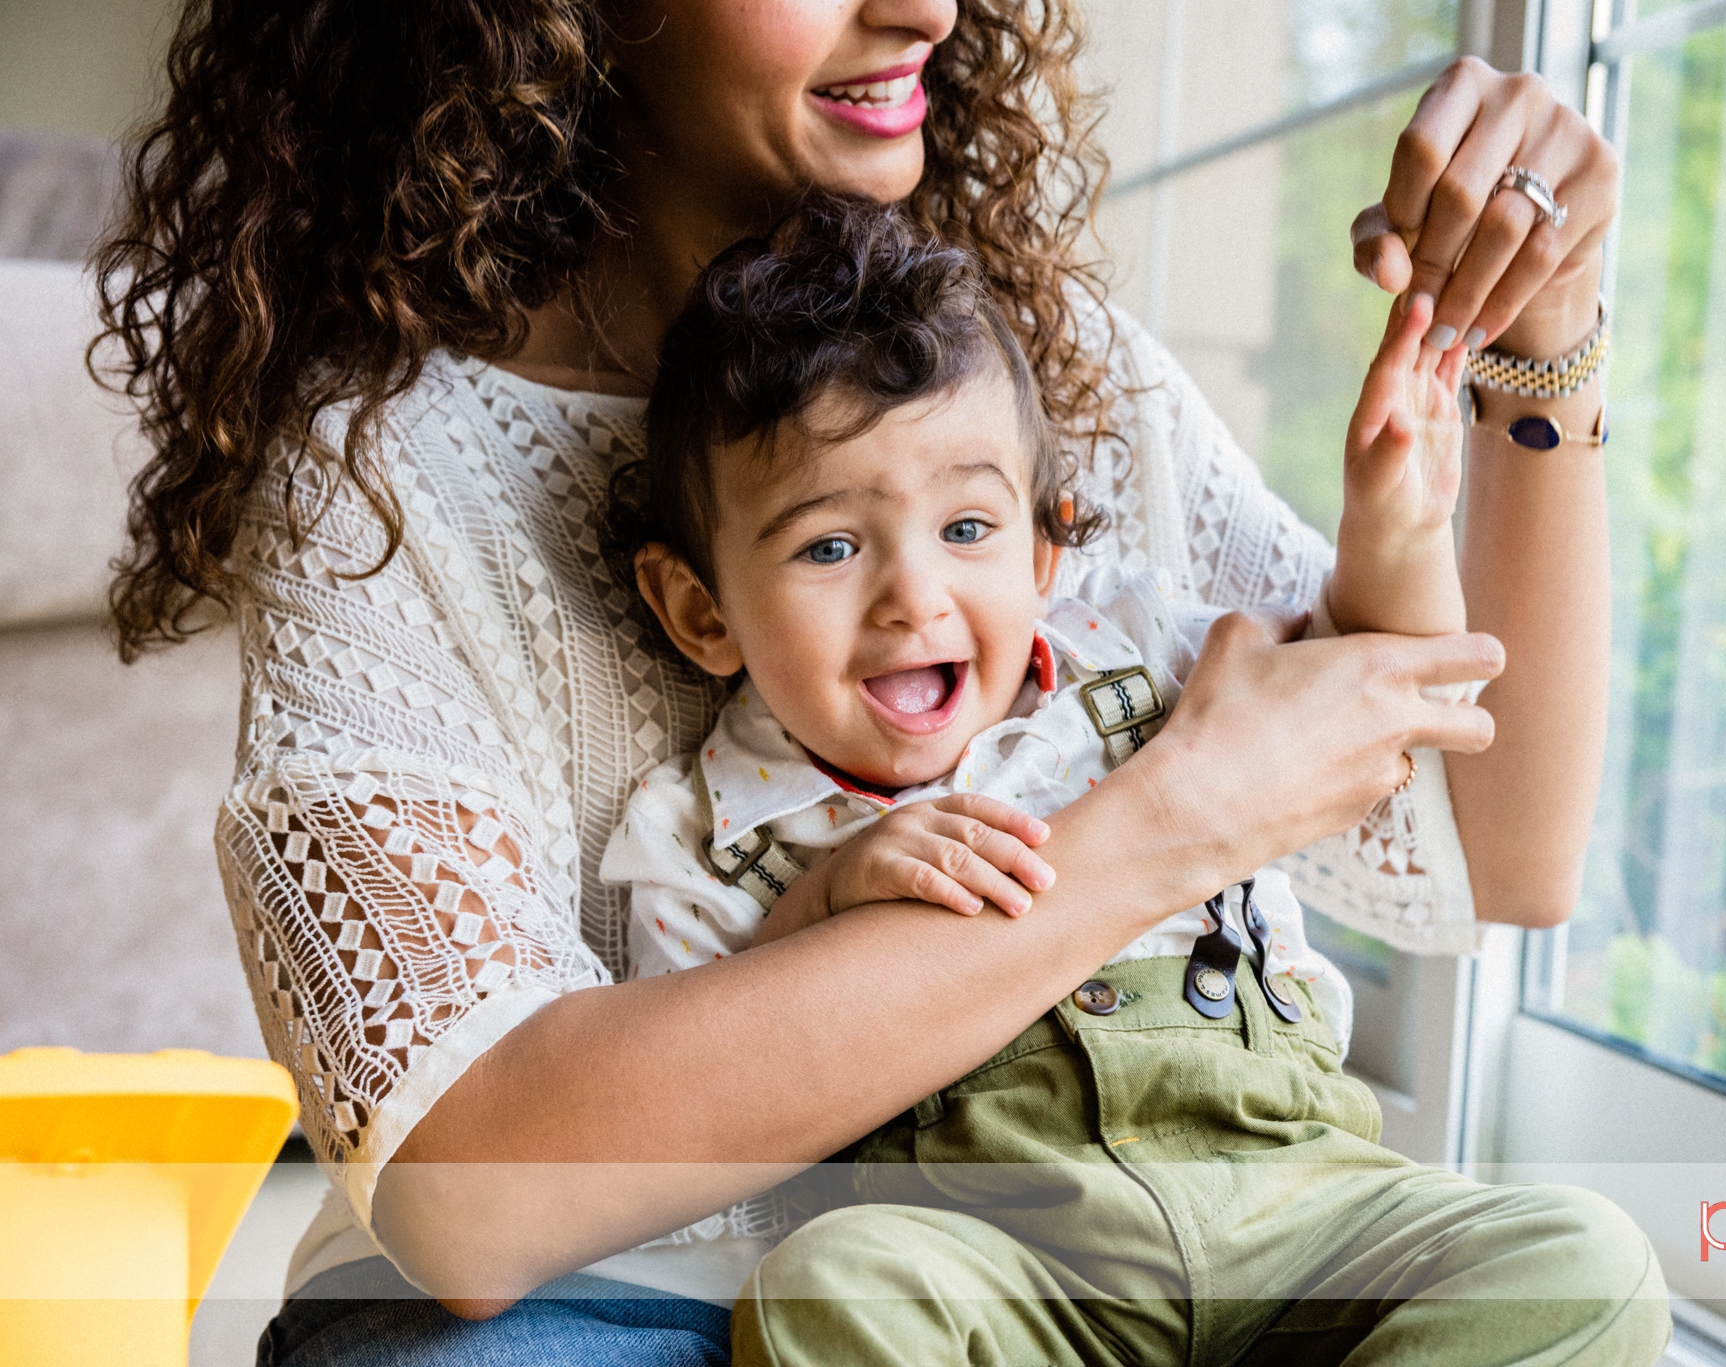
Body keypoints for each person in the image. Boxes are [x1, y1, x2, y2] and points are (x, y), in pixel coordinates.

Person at [92, 0, 1634, 1361]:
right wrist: (1171, 823)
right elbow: (475, 1192)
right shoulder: (384, 475)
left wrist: (1539, 337)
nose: (922, 10)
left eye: (971, 526)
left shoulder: (1039, 370)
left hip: (1096, 1265)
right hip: (604, 1299)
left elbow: (1500, 846)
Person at [599, 195, 1662, 1365]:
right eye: (830, 547)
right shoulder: (704, 831)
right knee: (826, 1292)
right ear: (701, 610)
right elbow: (709, 1129)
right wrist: (819, 909)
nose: (914, 595)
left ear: (1043, 553)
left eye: (965, 526)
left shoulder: (1143, 651)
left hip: (1300, 1208)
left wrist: (1395, 532)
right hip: (1012, 1277)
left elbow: (1372, 707)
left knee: (1583, 1261)